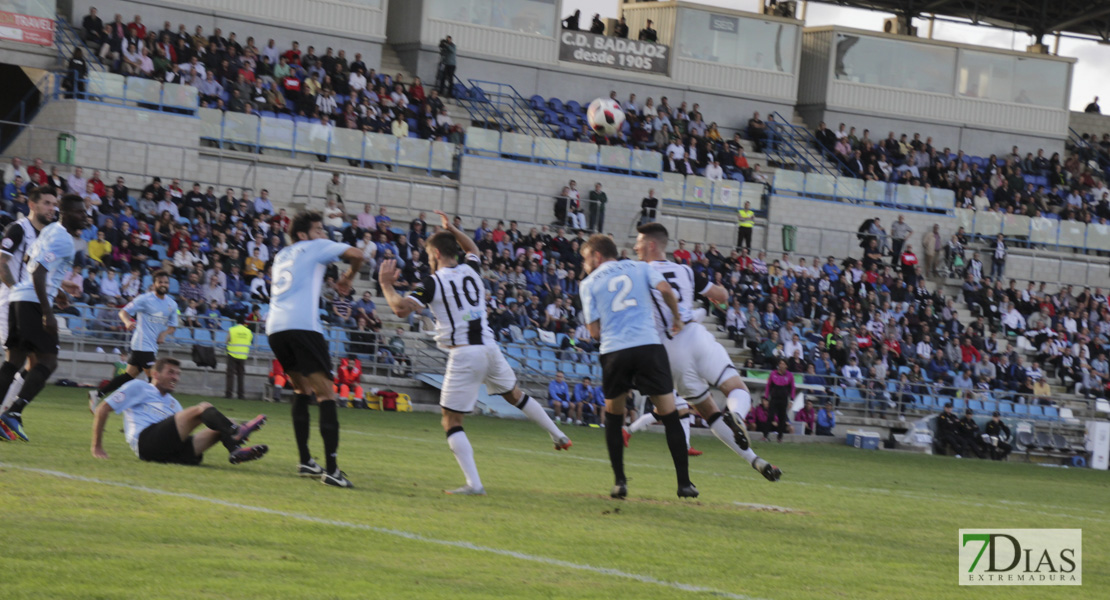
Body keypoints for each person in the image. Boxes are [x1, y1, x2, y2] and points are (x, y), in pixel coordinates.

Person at [378, 210, 571, 495]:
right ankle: (558, 434)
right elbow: (473, 249)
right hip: (489, 347)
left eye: (430, 255)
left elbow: (399, 308)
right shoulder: (471, 268)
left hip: (465, 353)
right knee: (514, 394)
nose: (429, 259)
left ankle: (474, 484)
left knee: (450, 420)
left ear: (435, 253)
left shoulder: (435, 282)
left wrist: (385, 284)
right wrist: (453, 229)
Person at [627, 223, 780, 480]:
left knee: (708, 413)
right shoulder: (686, 271)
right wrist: (704, 304)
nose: (635, 246)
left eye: (639, 242)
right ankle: (738, 415)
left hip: (670, 353)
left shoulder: (638, 273)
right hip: (696, 336)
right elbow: (722, 295)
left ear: (651, 245)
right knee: (736, 389)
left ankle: (755, 460)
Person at [578, 233, 695, 499]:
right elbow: (665, 290)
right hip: (648, 347)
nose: (585, 266)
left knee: (614, 416)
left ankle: (620, 482)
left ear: (597, 256)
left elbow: (594, 332)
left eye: (586, 259)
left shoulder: (588, 284)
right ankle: (684, 483)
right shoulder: (640, 266)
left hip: (615, 352)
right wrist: (676, 318)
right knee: (669, 413)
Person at [266, 211, 365, 488]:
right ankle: (332, 470)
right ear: (303, 234)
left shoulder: (282, 255)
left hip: (275, 327)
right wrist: (348, 277)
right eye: (319, 229)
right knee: (327, 395)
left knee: (301, 390)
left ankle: (306, 460)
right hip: (303, 326)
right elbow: (358, 254)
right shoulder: (315, 246)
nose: (323, 234)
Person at [0, 193, 85, 442]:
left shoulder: (49, 232)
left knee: (13, 361)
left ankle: (8, 415)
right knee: (48, 362)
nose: (85, 216)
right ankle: (14, 413)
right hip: (32, 302)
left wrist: (57, 290)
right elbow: (37, 271)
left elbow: (29, 261)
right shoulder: (63, 239)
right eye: (80, 212)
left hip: (19, 297)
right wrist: (48, 312)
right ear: (66, 213)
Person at [91, 358, 268, 465]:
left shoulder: (174, 403)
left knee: (224, 422)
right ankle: (236, 433)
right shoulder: (139, 387)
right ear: (156, 374)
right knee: (203, 407)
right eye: (171, 372)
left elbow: (178, 432)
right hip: (147, 443)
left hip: (171, 452)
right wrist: (97, 446)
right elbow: (102, 409)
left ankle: (235, 450)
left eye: (178, 374)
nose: (175, 377)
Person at [88, 270, 179, 412]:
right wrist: (126, 322)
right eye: (160, 282)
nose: (163, 284)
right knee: (155, 379)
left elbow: (173, 326)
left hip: (152, 346)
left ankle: (97, 394)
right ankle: (149, 411)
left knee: (129, 376)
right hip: (142, 344)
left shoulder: (172, 304)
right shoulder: (145, 299)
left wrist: (164, 333)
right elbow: (123, 312)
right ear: (154, 284)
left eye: (166, 282)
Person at [0, 186, 55, 415]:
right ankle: (8, 413)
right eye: (47, 203)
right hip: (10, 305)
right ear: (32, 205)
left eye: (54, 204)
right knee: (30, 361)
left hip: (29, 308)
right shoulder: (18, 229)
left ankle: (7, 413)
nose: (52, 208)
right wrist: (17, 291)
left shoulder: (48, 236)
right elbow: (2, 264)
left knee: (30, 363)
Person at [764, 360, 795, 443]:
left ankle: (780, 437)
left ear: (786, 366)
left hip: (783, 399)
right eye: (780, 363)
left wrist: (791, 400)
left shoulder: (790, 375)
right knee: (770, 417)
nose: (781, 365)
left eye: (783, 364)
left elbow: (792, 388)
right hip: (774, 398)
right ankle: (765, 435)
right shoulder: (773, 374)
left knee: (782, 419)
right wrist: (766, 398)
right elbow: (768, 386)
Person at [225, 316, 253, 400]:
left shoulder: (232, 330)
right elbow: (250, 341)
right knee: (241, 376)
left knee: (230, 375)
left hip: (232, 354)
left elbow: (227, 341)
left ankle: (229, 394)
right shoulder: (248, 331)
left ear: (236, 322)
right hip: (243, 355)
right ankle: (241, 395)